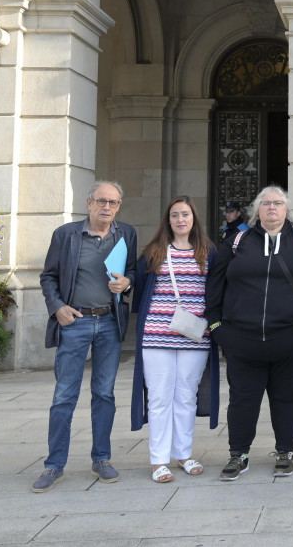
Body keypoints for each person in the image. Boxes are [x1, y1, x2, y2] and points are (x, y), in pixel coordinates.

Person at [205, 185, 293, 481]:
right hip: (242, 339)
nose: (272, 208)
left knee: (286, 397)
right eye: (265, 203)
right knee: (242, 398)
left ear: (286, 209)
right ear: (257, 210)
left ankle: (285, 451)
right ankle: (239, 454)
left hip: (291, 340)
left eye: (277, 203)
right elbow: (215, 282)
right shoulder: (237, 242)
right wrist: (216, 325)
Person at [33, 181, 137, 492]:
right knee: (64, 395)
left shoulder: (126, 233)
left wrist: (127, 283)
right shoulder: (66, 235)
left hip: (108, 322)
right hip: (74, 321)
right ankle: (54, 465)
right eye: (102, 201)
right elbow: (48, 276)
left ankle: (101, 459)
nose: (108, 207)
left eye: (114, 203)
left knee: (104, 394)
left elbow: (131, 271)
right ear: (89, 202)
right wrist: (57, 307)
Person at [130, 196, 220, 483]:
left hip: (195, 336)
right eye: (174, 215)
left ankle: (183, 454)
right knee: (159, 397)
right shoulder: (154, 252)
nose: (180, 219)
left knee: (185, 396)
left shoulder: (208, 252)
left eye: (185, 214)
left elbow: (216, 292)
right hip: (157, 335)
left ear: (194, 218)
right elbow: (140, 292)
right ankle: (159, 461)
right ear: (167, 221)